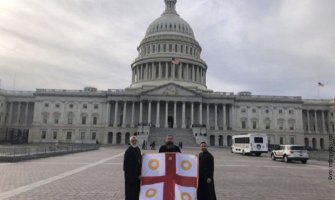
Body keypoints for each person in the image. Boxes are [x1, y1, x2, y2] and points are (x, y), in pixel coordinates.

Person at [123, 136, 142, 200]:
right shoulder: (128, 151)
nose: (134, 142)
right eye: (132, 141)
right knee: (130, 193)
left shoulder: (137, 149)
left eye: (135, 141)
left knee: (136, 192)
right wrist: (137, 175)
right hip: (131, 177)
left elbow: (139, 160)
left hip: (137, 176)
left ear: (137, 141)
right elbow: (127, 167)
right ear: (130, 142)